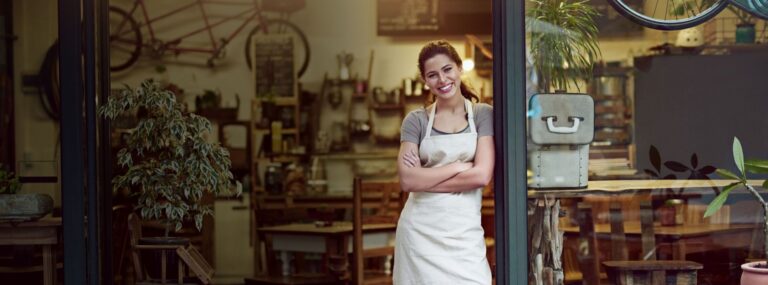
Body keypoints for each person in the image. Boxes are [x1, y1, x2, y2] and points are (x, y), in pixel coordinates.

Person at [393, 40, 494, 284]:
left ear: (459, 68)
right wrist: (459, 167)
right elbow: (407, 180)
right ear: (425, 80)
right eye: (432, 75)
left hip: (464, 235)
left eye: (447, 69)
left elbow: (481, 176)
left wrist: (424, 180)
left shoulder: (482, 114)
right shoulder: (415, 121)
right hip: (419, 233)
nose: (442, 80)